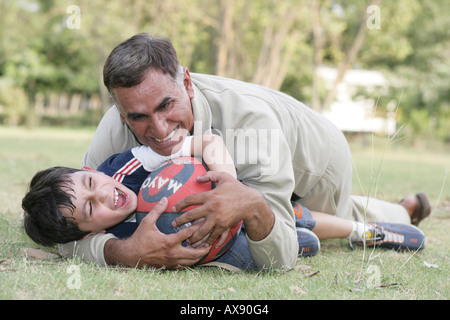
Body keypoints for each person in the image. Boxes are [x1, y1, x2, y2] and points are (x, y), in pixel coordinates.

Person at [65, 33, 431, 270]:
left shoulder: (249, 122)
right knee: (306, 215)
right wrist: (122, 253)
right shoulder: (116, 125)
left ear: (187, 83)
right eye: (139, 117)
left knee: (331, 213)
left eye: (166, 106)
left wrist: (255, 207)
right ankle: (406, 208)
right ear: (118, 109)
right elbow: (67, 221)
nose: (158, 130)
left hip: (316, 159)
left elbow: (281, 257)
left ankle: (400, 214)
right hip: (266, 155)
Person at [22, 134, 426, 272]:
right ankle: (294, 243)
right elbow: (66, 245)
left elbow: (206, 142)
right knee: (259, 255)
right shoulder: (99, 237)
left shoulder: (127, 164)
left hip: (234, 202)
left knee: (297, 215)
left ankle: (362, 231)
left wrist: (228, 184)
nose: (105, 194)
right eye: (92, 209)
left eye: (92, 182)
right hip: (224, 248)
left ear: (90, 169)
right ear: (88, 229)